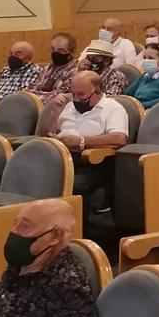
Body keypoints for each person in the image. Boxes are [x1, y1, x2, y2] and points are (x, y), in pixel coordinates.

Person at [39, 72, 128, 213]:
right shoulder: (69, 107)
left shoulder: (113, 108)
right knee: (30, 175)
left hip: (90, 163)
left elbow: (119, 138)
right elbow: (44, 135)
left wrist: (81, 142)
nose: (76, 99)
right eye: (73, 94)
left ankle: (76, 230)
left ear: (97, 91)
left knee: (73, 185)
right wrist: (55, 111)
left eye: (81, 95)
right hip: (59, 159)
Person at [26, 33, 79, 103]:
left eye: (61, 50)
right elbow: (32, 89)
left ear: (72, 52)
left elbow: (60, 97)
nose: (55, 53)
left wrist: (36, 97)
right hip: (37, 106)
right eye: (53, 49)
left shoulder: (75, 70)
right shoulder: (48, 68)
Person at [124, 43, 159, 108]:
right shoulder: (144, 76)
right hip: (137, 110)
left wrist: (141, 105)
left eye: (151, 58)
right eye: (144, 58)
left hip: (154, 112)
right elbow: (127, 95)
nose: (146, 61)